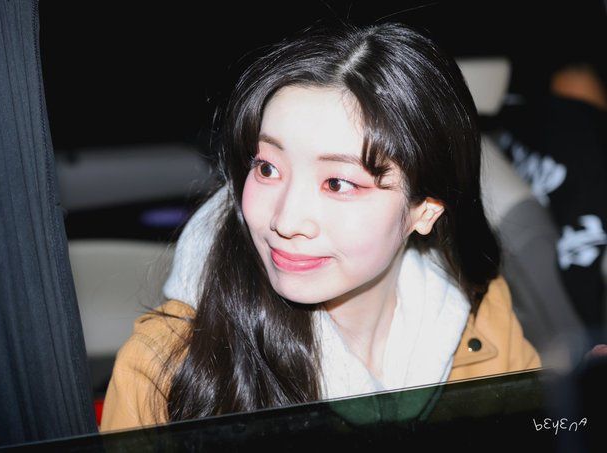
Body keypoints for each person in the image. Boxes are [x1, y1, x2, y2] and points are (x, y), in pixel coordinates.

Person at [99, 22, 541, 432]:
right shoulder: (165, 367)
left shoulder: (484, 315)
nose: (285, 220)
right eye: (268, 168)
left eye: (338, 183)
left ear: (424, 211)